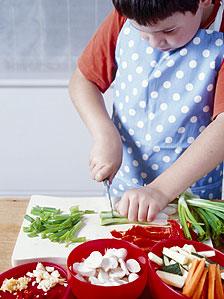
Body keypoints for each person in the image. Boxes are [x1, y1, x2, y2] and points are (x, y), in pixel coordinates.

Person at [69, 0, 224, 223]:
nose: (154, 42)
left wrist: (160, 190)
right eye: (140, 31)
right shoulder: (129, 13)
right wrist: (105, 135)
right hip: (126, 189)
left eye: (168, 30)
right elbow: (82, 81)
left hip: (191, 198)